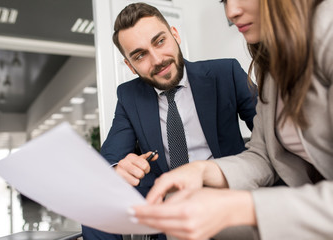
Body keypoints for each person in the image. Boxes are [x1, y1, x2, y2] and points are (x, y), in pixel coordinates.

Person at [131, 0, 333, 239]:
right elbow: (263, 155)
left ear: (175, 36)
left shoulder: (327, 27)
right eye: (225, 0)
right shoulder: (270, 61)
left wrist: (240, 207)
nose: (231, 12)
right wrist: (202, 170)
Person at [82, 2, 257, 240]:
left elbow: (271, 134)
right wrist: (118, 170)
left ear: (175, 35)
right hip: (166, 200)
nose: (157, 60)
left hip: (223, 187)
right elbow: (109, 161)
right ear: (130, 66)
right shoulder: (129, 96)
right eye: (140, 55)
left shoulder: (225, 73)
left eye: (159, 41)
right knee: (95, 200)